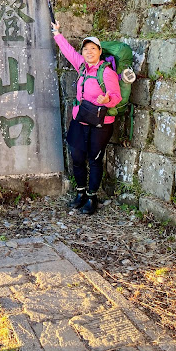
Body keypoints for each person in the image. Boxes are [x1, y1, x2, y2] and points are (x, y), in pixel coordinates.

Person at [51, 22, 121, 215]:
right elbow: (67, 51)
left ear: (100, 52)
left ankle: (92, 198)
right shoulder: (81, 66)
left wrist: (107, 99)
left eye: (93, 49)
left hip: (100, 124)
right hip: (80, 121)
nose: (89, 52)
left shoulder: (107, 72)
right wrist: (57, 33)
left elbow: (117, 97)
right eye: (85, 49)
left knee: (95, 159)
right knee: (77, 158)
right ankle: (80, 193)